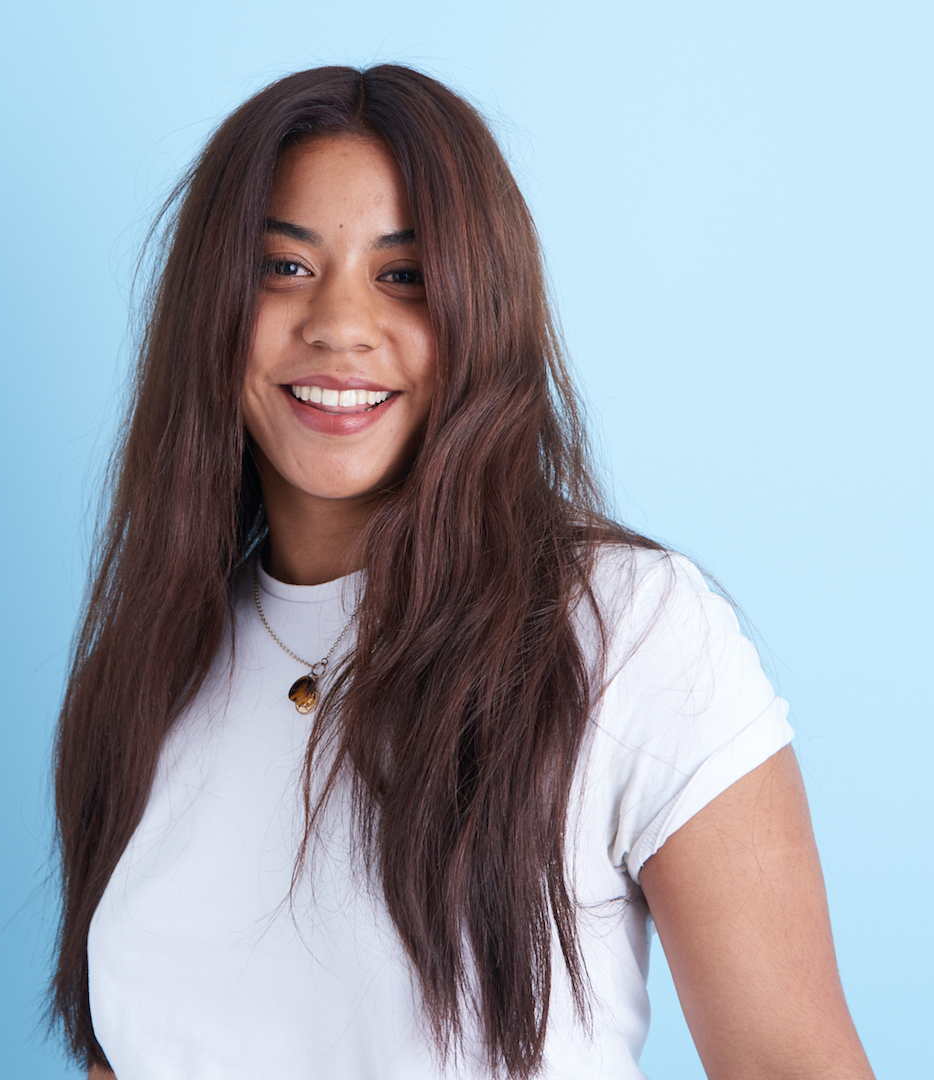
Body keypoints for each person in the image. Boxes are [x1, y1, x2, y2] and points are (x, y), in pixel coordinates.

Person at [51, 65, 874, 1079]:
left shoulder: (626, 636)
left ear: (480, 312)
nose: (340, 326)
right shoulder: (149, 667)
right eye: (284, 267)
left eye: (404, 275)